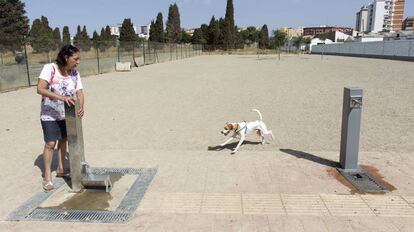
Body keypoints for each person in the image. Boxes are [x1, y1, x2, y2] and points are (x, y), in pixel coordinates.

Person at [36, 45, 84, 191]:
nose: (78, 62)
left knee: (63, 140)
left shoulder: (75, 74)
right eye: (75, 59)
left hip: (67, 114)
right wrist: (61, 97)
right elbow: (40, 88)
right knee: (50, 143)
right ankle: (47, 177)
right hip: (49, 114)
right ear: (65, 57)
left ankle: (61, 168)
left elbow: (80, 92)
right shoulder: (50, 68)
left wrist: (81, 107)